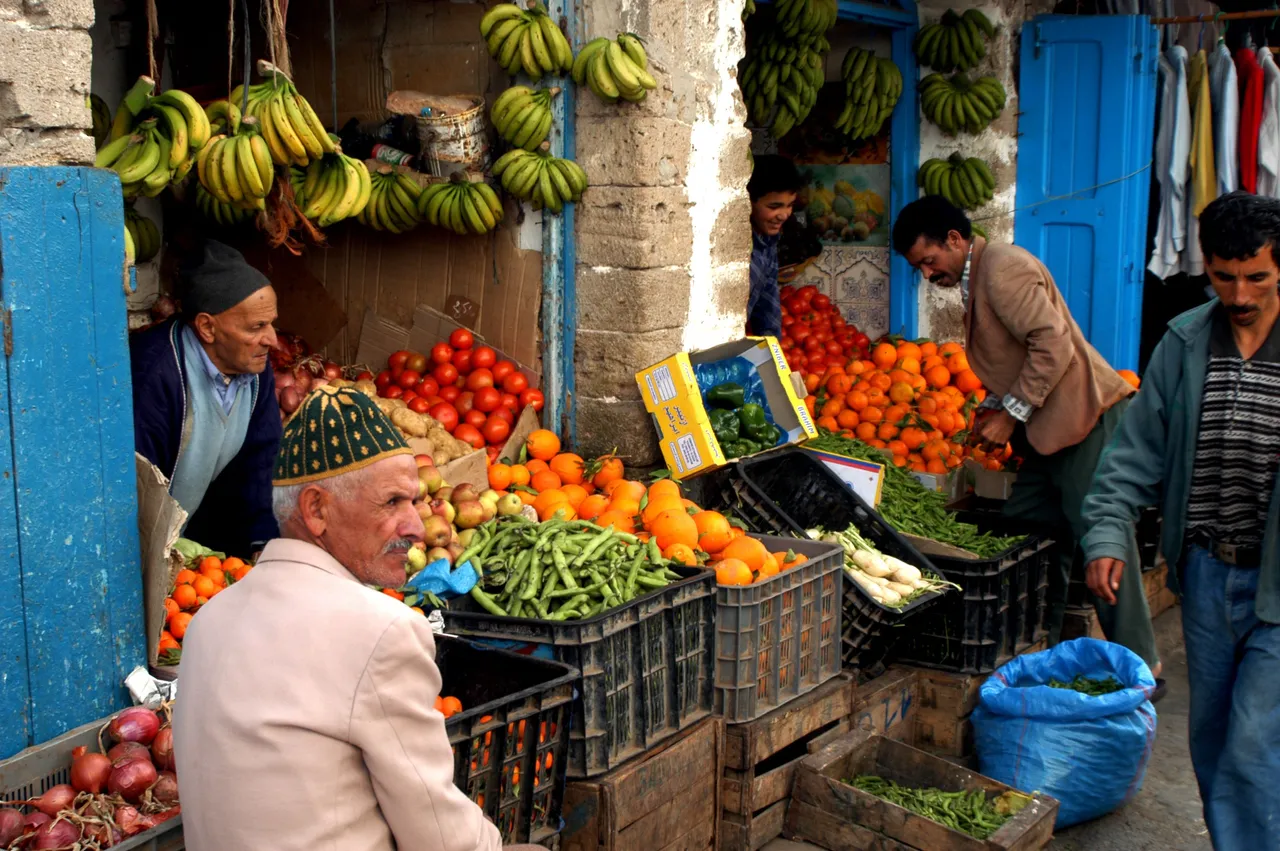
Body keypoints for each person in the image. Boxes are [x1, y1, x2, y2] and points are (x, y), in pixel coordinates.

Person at [173, 385, 547, 851]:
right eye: (392, 503)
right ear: (316, 510)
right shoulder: (380, 630)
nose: (414, 526)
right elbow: (443, 838)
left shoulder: (210, 620)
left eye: (413, 502)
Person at [891, 196, 1161, 685]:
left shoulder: (1002, 268)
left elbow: (1052, 343)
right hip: (1048, 432)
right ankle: (1043, 648)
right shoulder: (982, 276)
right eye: (919, 268)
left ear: (954, 240)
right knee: (1026, 533)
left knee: (1101, 542)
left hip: (1085, 422)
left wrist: (1010, 416)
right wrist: (994, 407)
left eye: (929, 262)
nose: (928, 275)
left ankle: (1143, 665)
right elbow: (1019, 354)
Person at [1082, 191, 1280, 850]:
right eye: (1225, 276)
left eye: (1257, 276)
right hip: (1205, 574)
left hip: (1277, 584)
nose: (1240, 292)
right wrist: (1108, 534)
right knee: (1216, 739)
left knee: (1253, 744)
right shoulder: (1186, 340)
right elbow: (1130, 453)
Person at [130, 239, 282, 558]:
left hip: (200, 537)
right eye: (257, 327)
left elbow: (261, 459)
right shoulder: (156, 376)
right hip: (147, 547)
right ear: (207, 328)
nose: (272, 340)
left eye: (272, 324)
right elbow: (138, 495)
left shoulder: (254, 369)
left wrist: (262, 545)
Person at [747, 154, 803, 337]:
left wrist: (773, 355)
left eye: (789, 205)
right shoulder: (740, 247)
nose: (784, 215)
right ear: (749, 201)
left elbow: (767, 308)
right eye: (774, 207)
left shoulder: (768, 243)